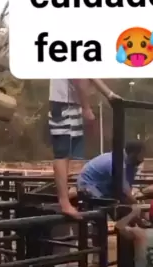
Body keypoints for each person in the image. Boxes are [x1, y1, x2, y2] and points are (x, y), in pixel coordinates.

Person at [49, 78, 120, 219]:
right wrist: (86, 107)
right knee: (62, 154)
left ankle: (66, 200)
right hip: (64, 102)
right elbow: (80, 80)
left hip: (68, 102)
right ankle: (64, 202)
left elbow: (88, 74)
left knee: (66, 153)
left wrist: (109, 94)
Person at [76, 140, 145, 203]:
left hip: (101, 186)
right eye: (141, 155)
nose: (143, 159)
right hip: (88, 185)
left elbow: (127, 188)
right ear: (133, 154)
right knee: (112, 206)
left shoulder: (128, 163)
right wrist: (136, 205)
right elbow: (125, 191)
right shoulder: (117, 162)